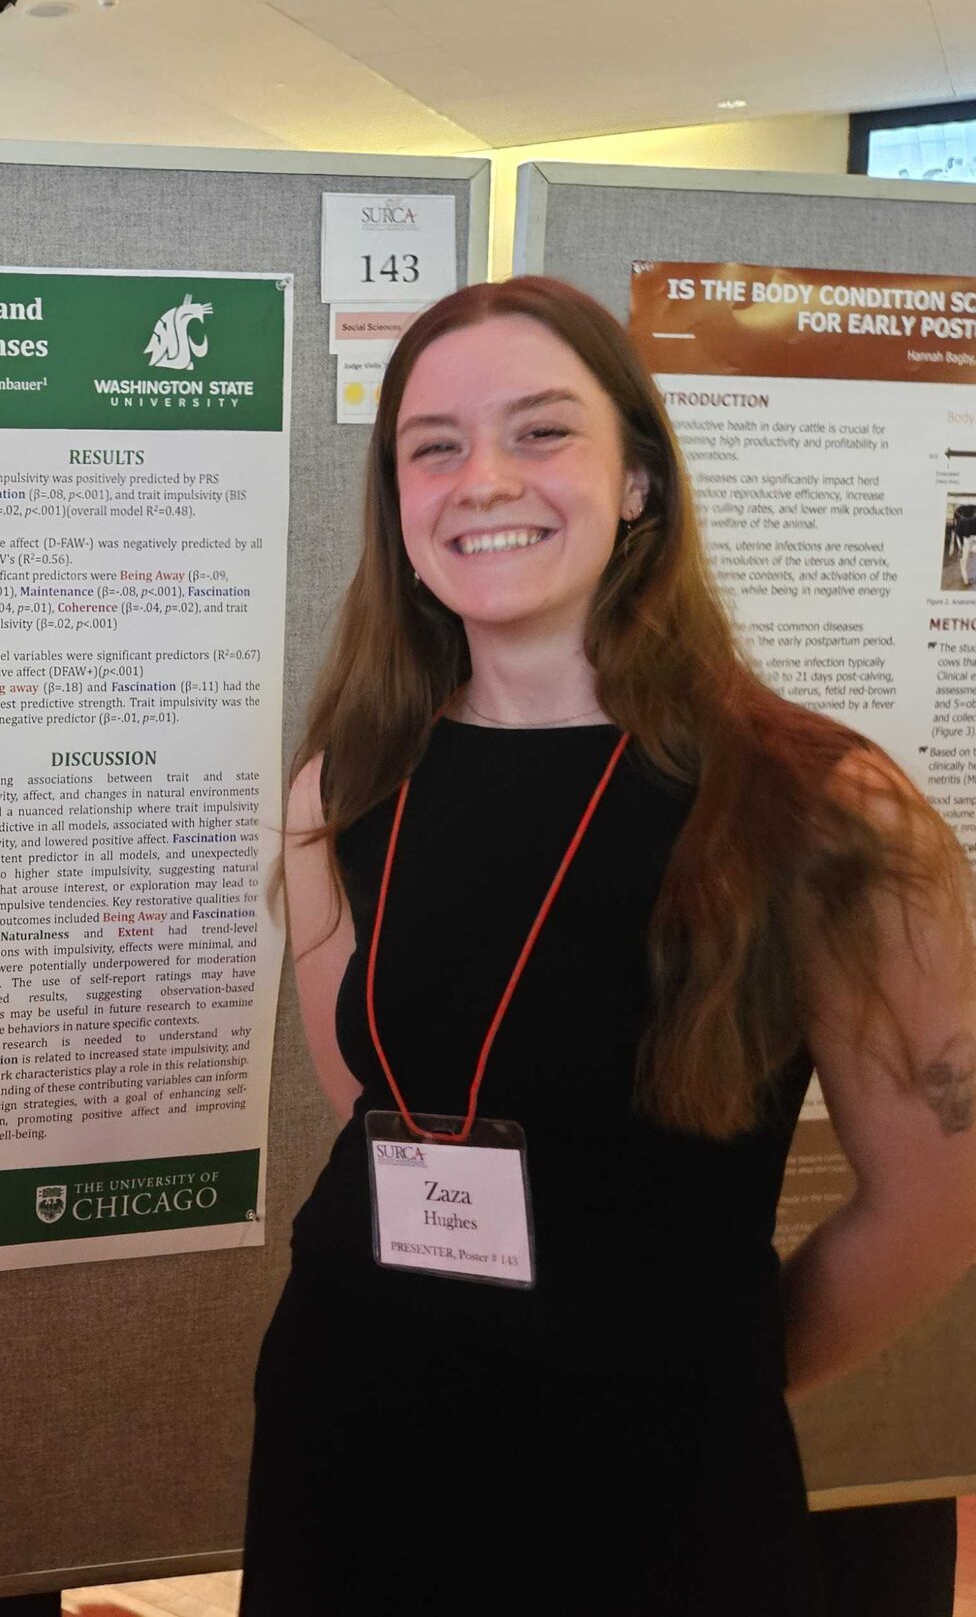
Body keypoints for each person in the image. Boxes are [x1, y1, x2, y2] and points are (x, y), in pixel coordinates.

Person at [240, 277, 976, 1614]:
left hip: (656, 1481)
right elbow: (371, 1106)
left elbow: (939, 1199)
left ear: (637, 480)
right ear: (398, 502)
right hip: (353, 1438)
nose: (483, 479)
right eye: (434, 447)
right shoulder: (341, 788)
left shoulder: (816, 807)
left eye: (541, 431)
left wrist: (705, 1374)